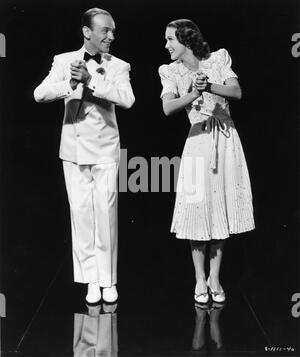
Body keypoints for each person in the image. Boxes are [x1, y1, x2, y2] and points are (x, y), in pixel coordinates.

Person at [34, 8, 135, 304]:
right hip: (73, 151)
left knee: (105, 216)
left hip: (104, 150)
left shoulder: (119, 65)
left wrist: (92, 80)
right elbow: (40, 94)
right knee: (81, 217)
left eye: (113, 30)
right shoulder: (65, 61)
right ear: (87, 32)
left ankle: (108, 281)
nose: (111, 36)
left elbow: (127, 99)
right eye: (106, 30)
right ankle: (91, 280)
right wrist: (72, 84)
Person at [158, 19, 254, 304]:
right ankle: (200, 278)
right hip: (198, 142)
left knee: (220, 207)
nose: (166, 45)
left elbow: (236, 92)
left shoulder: (218, 59)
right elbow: (167, 107)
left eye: (171, 39)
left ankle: (215, 277)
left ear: (186, 40)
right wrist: (194, 93)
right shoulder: (170, 71)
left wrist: (209, 84)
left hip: (225, 141)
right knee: (198, 210)